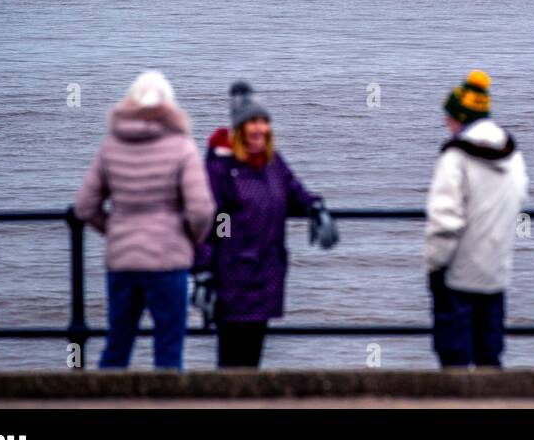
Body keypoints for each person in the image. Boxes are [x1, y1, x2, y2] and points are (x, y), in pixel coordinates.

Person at [74, 70, 215, 370]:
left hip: (123, 262)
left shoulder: (111, 145)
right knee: (168, 351)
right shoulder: (181, 146)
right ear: (169, 105)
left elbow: (84, 207)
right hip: (168, 261)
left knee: (117, 347)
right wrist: (189, 239)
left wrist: (114, 230)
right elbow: (201, 210)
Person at [192, 81, 338, 368]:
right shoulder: (221, 168)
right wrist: (206, 271)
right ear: (239, 129)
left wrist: (315, 207)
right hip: (233, 278)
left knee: (253, 361)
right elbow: (214, 221)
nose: (259, 128)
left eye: (263, 121)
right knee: (232, 364)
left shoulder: (272, 163)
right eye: (252, 122)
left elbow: (294, 191)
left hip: (266, 276)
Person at [424, 71, 528, 368]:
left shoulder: (454, 158)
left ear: (461, 116)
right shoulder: (512, 154)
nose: (446, 122)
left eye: (449, 116)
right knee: (489, 357)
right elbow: (520, 200)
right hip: (496, 271)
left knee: (454, 359)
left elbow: (444, 222)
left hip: (456, 275)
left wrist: (434, 265)